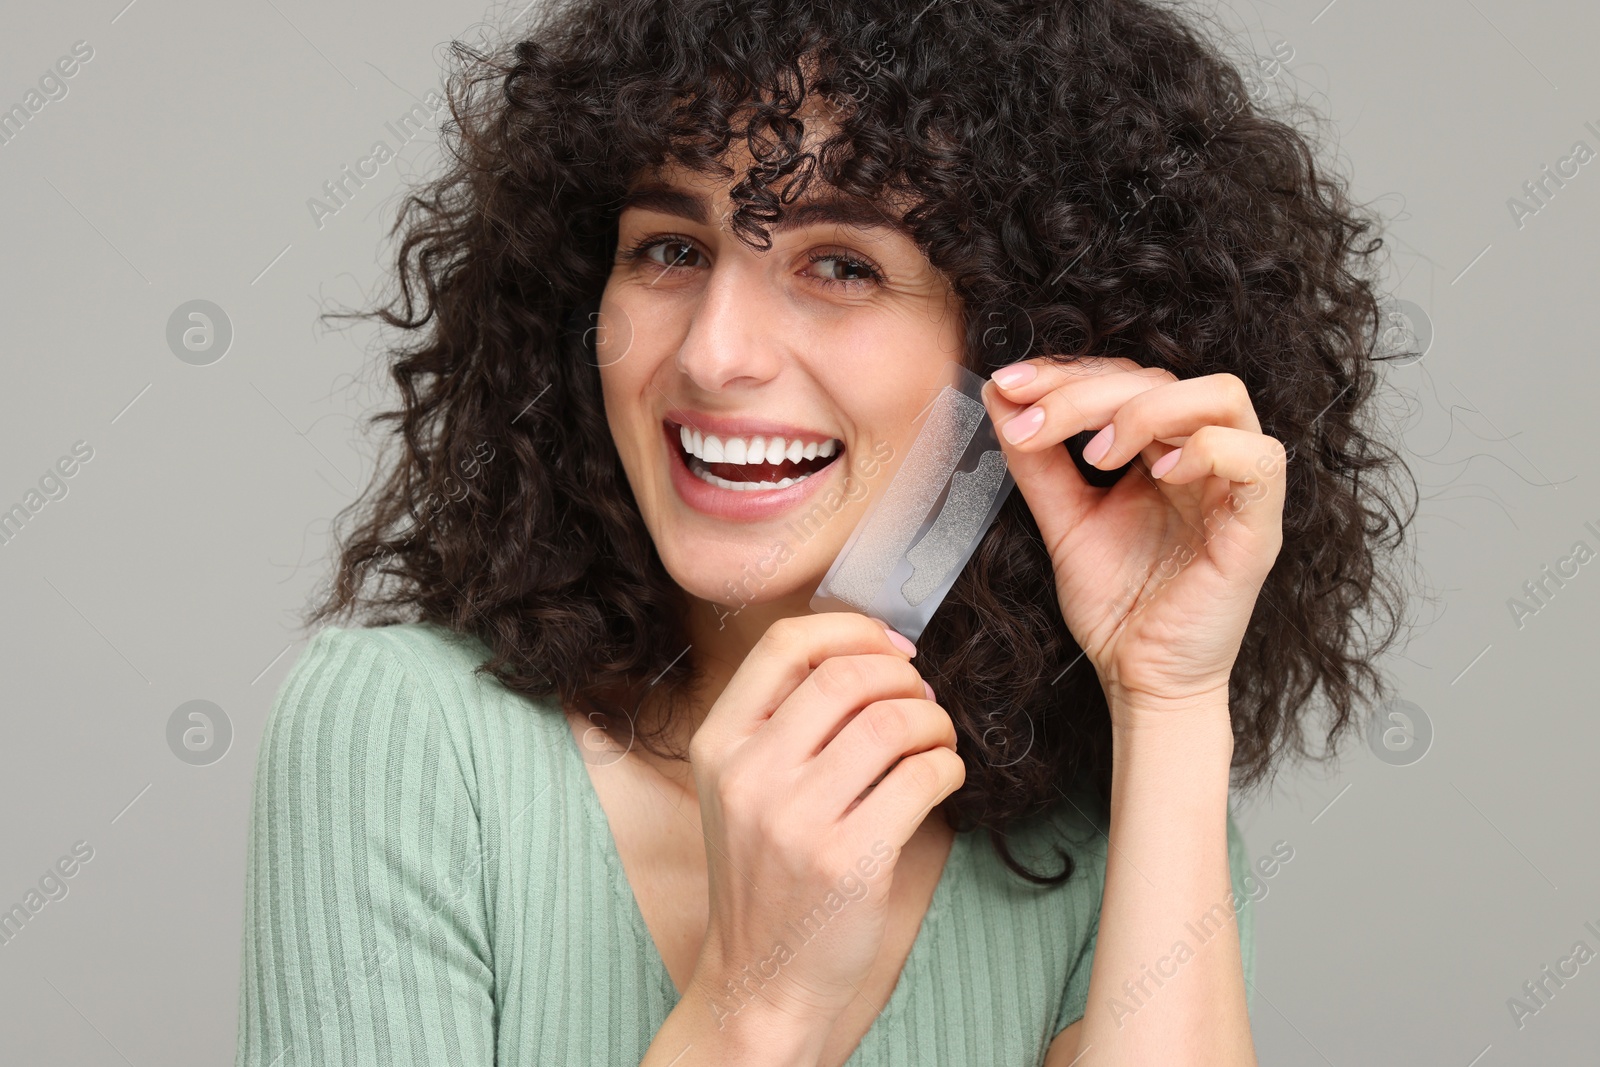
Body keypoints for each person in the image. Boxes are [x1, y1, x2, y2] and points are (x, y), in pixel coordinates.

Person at [233, 0, 1413, 1064]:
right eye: (670, 249)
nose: (710, 352)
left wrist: (1166, 700)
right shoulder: (408, 739)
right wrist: (755, 1005)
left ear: (1018, 346)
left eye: (840, 264)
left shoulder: (1110, 832)